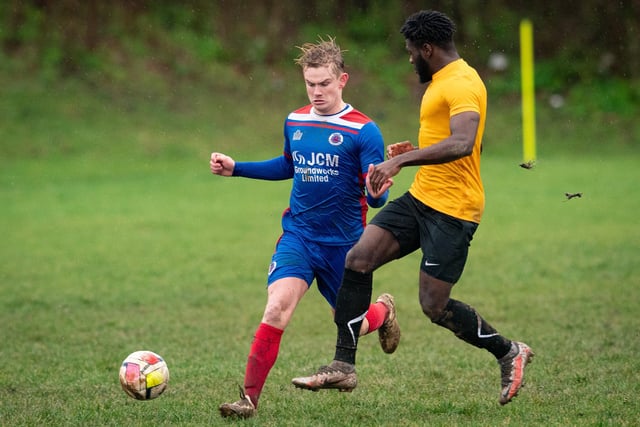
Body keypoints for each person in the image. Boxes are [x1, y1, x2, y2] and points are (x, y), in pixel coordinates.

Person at [292, 10, 534, 406]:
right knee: (358, 259)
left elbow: (464, 143)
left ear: (427, 49)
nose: (408, 59)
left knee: (434, 306)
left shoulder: (463, 83)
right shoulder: (442, 81)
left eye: (410, 52)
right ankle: (343, 366)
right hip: (422, 198)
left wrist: (400, 162)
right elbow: (459, 141)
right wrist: (413, 151)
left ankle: (509, 351)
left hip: (454, 210)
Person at [211, 37, 401, 419]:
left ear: (342, 80)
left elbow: (376, 195)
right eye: (310, 83)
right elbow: (288, 165)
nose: (316, 91)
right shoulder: (295, 120)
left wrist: (377, 193)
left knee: (353, 324)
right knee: (277, 307)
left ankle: (383, 312)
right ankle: (248, 400)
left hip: (345, 247)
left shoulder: (365, 131)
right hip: (298, 236)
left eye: (324, 83)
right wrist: (238, 168)